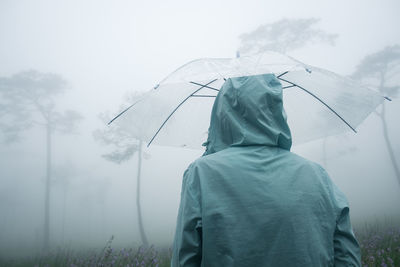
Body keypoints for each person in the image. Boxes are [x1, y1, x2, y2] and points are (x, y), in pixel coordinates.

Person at [171, 74, 361, 266]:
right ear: (276, 109)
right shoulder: (318, 176)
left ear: (222, 111)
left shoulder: (200, 174)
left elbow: (184, 259)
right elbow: (348, 258)